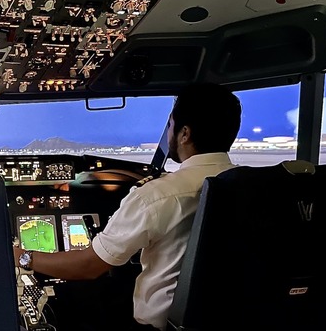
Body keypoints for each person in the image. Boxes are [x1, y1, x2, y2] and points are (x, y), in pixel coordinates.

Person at [13, 83, 242, 331]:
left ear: (184, 134)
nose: (169, 133)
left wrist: (22, 257)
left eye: (170, 125)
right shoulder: (256, 186)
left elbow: (89, 266)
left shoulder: (158, 195)